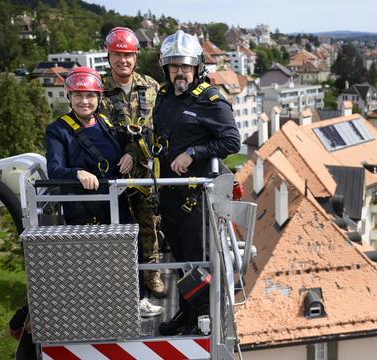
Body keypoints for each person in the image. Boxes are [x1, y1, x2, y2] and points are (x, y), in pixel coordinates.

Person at [45, 66, 162, 318]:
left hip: (115, 200)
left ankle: (138, 300)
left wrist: (130, 154)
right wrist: (76, 173)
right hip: (84, 207)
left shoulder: (104, 122)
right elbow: (54, 169)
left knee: (131, 250)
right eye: (78, 95)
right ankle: (100, 309)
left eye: (90, 96)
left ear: (98, 98)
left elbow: (126, 142)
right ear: (69, 96)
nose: (84, 101)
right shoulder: (59, 130)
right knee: (95, 262)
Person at [153, 30, 241, 335]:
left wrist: (195, 152)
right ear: (166, 68)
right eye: (174, 66)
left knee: (197, 263)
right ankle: (187, 314)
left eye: (186, 66)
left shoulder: (211, 100)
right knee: (179, 262)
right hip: (169, 195)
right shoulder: (164, 97)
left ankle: (205, 320)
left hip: (195, 200)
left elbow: (232, 141)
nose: (180, 72)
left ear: (196, 67)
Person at [99, 26, 166, 298]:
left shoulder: (151, 87)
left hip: (145, 170)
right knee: (116, 226)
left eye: (127, 55)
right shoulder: (100, 90)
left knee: (149, 223)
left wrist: (137, 153)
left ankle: (151, 275)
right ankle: (122, 280)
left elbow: (159, 126)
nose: (122, 60)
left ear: (135, 57)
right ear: (109, 56)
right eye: (117, 54)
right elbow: (95, 133)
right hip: (113, 171)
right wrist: (121, 154)